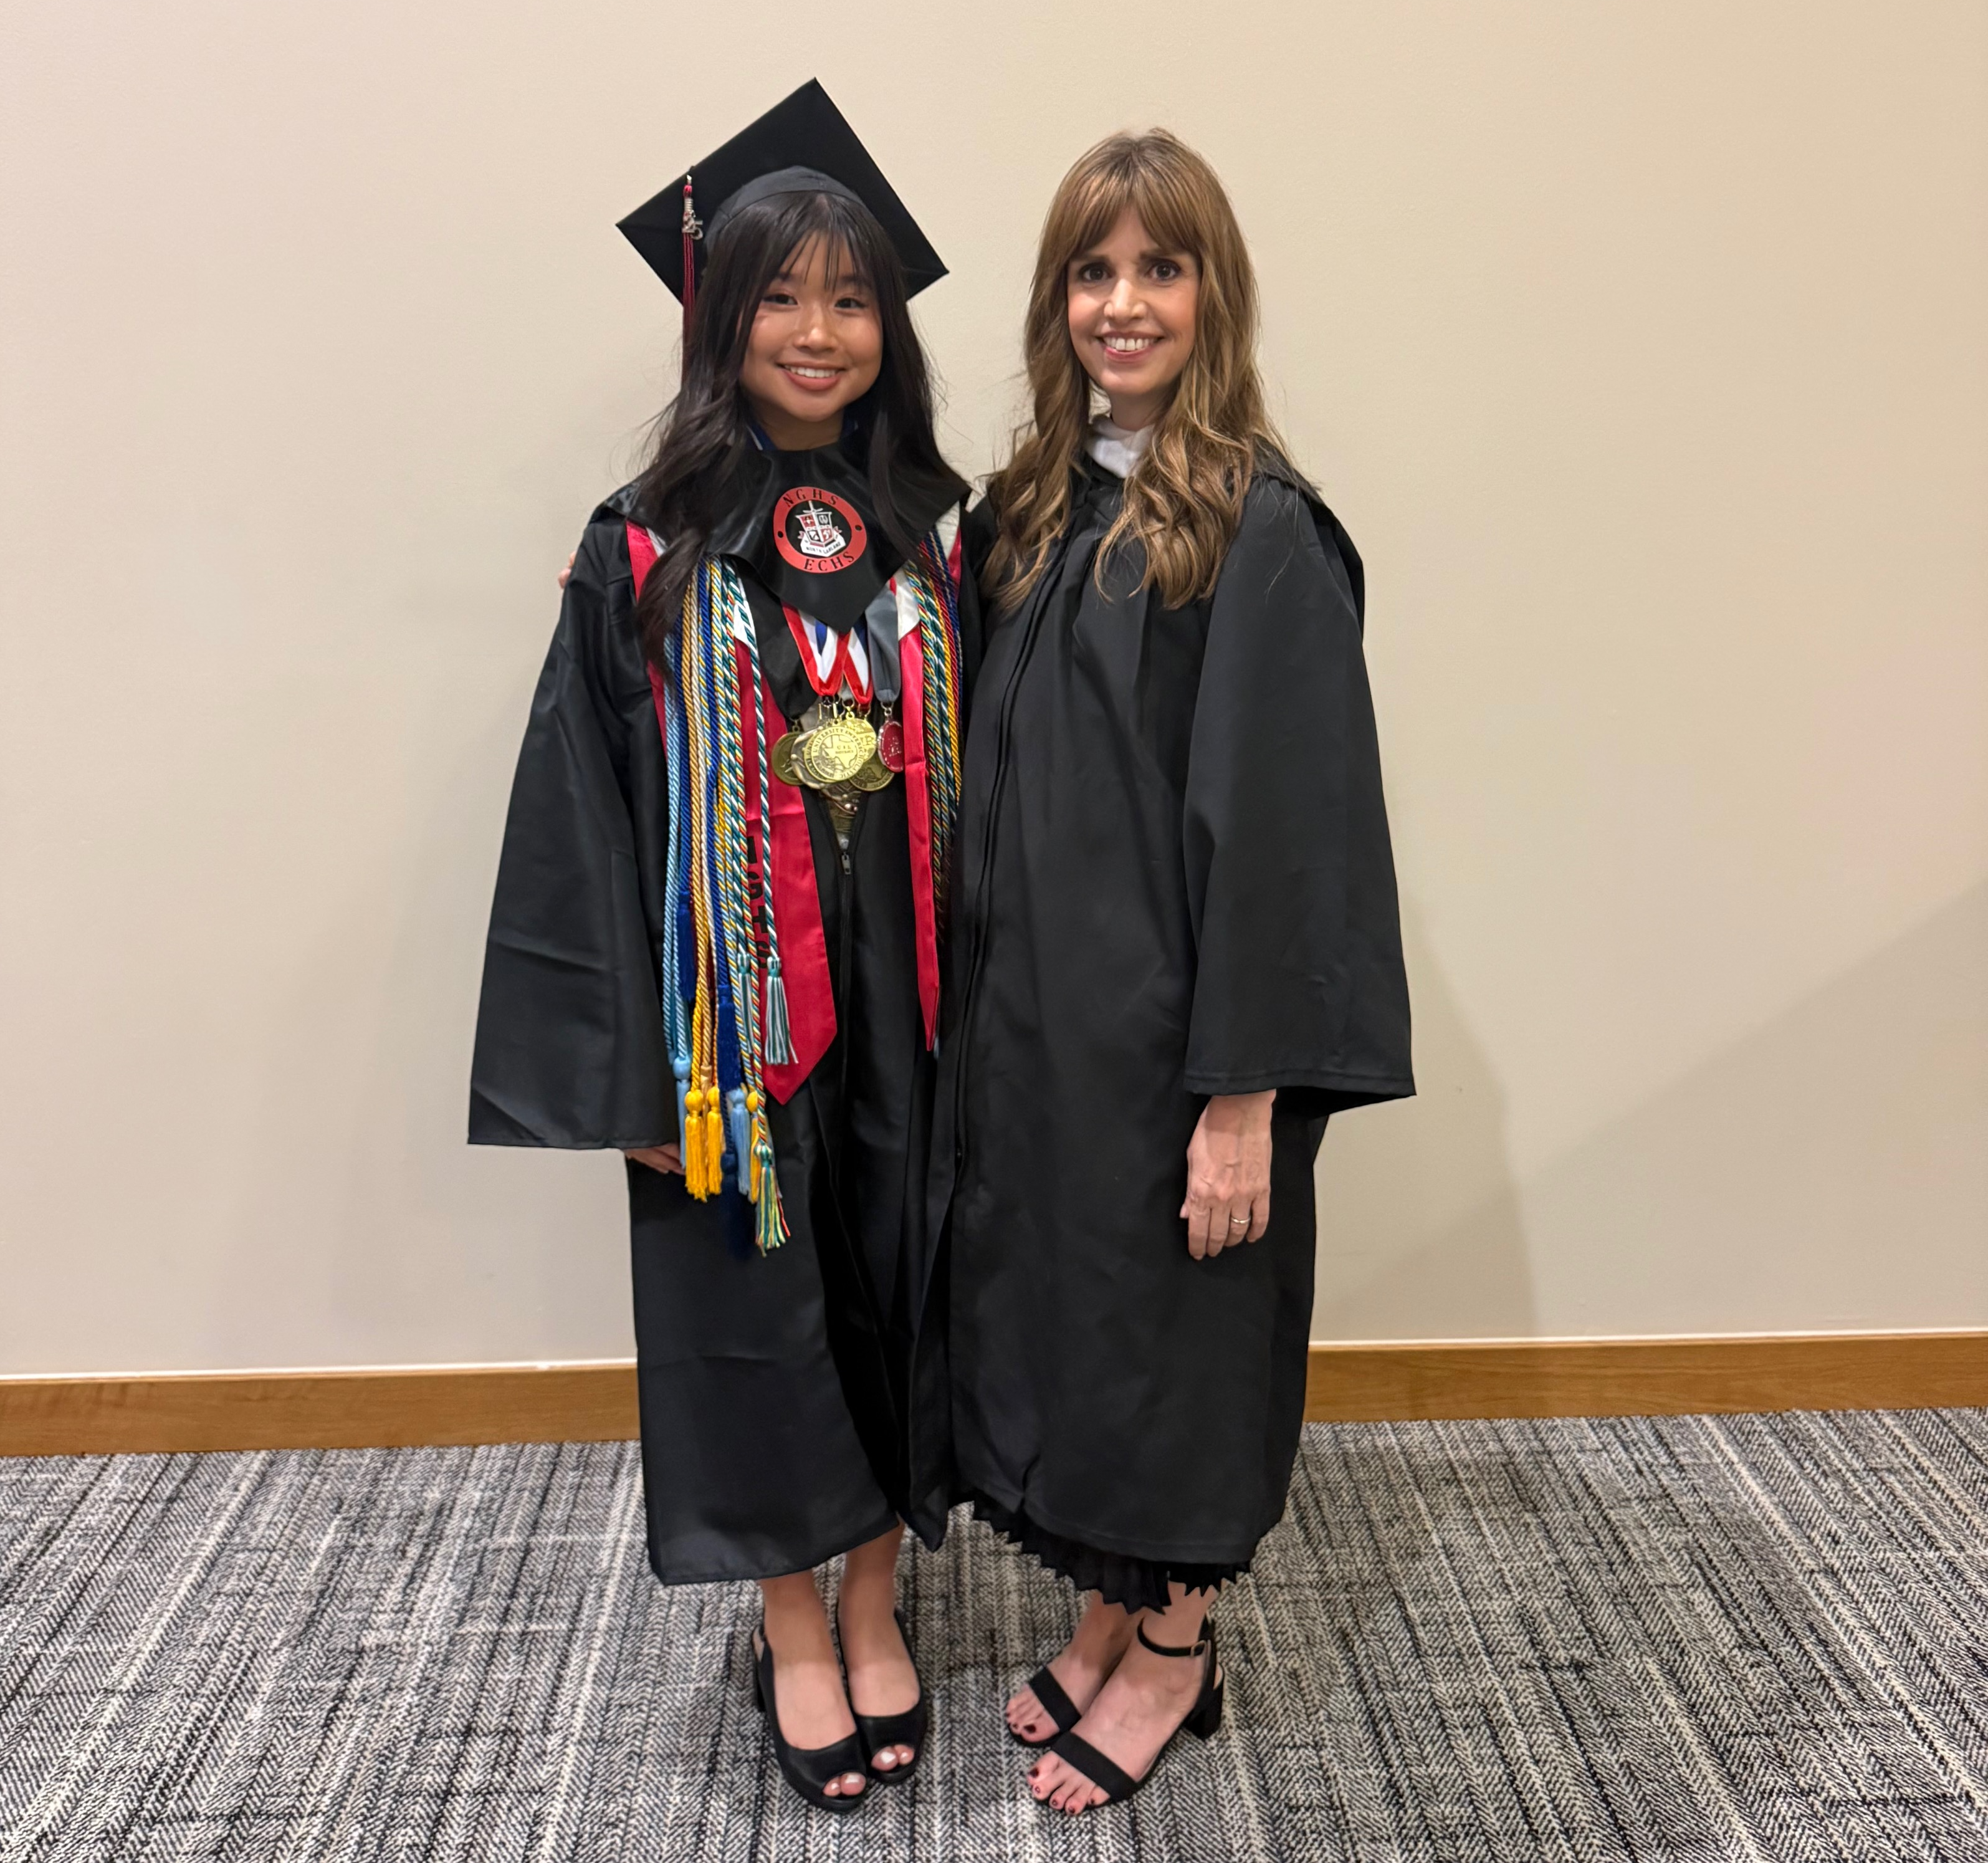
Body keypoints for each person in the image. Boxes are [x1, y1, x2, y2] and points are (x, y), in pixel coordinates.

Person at [470, 81, 980, 1813]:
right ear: (719, 313)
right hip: (725, 1034)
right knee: (750, 1305)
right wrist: (616, 1067)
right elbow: (579, 816)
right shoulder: (645, 548)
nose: (819, 331)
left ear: (886, 323)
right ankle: (790, 1616)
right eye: (778, 294)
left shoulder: (946, 533)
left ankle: (875, 1592)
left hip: (914, 1011)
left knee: (897, 1286)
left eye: (851, 296)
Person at [909, 129, 1414, 1813]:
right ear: (1058, 302)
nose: (1124, 304)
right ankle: (1103, 1612)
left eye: (1160, 268)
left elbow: (1289, 843)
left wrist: (1242, 1097)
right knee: (1078, 1324)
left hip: (1183, 1039)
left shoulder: (1252, 530)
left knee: (1182, 1336)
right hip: (1042, 1033)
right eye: (1093, 270)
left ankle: (1175, 1648)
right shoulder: (1030, 514)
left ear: (1214, 291)